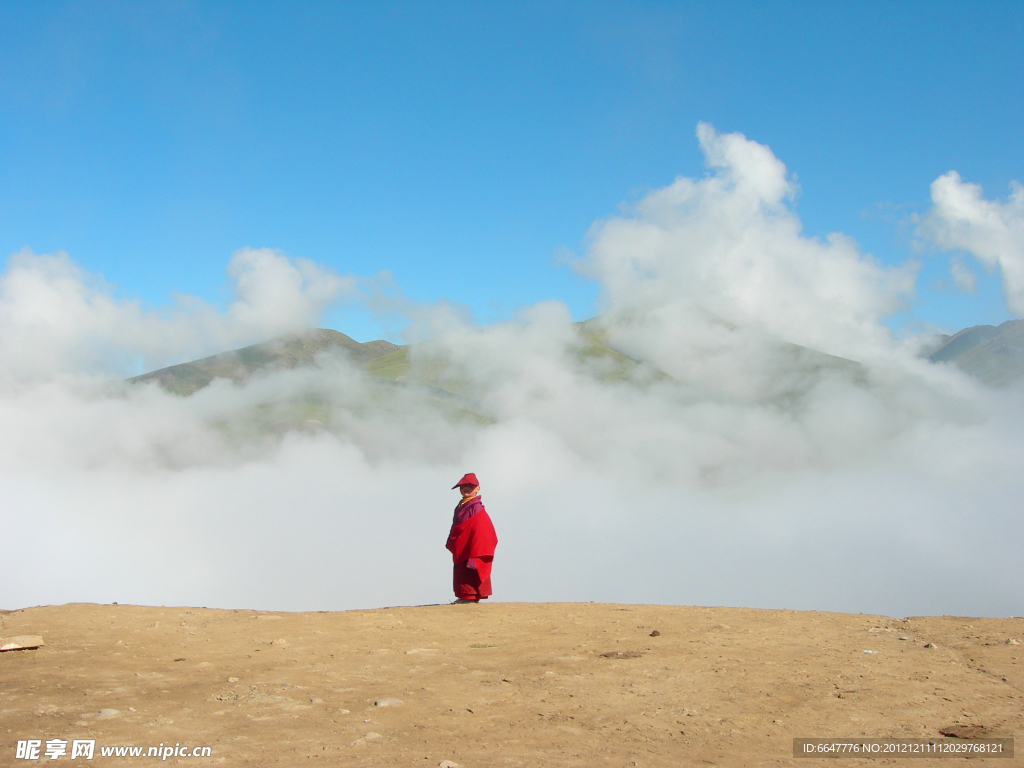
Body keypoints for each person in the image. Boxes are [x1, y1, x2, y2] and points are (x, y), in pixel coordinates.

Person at [445, 472, 498, 604]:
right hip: (462, 544)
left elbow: (481, 529)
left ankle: (471, 597)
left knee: (470, 570)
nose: (466, 488)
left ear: (477, 489)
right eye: (463, 486)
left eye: (470, 486)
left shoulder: (476, 507)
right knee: (461, 571)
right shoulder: (461, 505)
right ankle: (465, 596)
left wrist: (475, 551)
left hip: (471, 545)